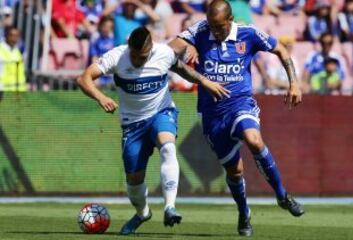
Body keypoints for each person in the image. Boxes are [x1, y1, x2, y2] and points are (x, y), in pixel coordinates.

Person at [169, 0, 304, 236]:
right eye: (211, 25)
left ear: (230, 20)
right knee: (235, 172)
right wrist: (185, 50)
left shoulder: (248, 33)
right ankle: (244, 212)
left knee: (254, 140)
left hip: (240, 103)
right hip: (212, 115)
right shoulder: (200, 31)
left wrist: (294, 83)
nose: (214, 31)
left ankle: (282, 196)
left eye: (219, 26)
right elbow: (168, 53)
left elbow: (280, 50)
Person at [77, 27, 229, 235]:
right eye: (134, 55)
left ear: (150, 48)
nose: (138, 60)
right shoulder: (116, 56)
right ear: (128, 47)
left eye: (143, 56)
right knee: (134, 180)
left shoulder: (163, 53)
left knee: (167, 147)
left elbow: (183, 70)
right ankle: (143, 213)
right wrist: (101, 97)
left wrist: (204, 81)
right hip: (132, 124)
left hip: (161, 112)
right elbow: (83, 78)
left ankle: (170, 206)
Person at [0, 26, 26, 92]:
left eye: (16, 36)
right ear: (6, 35)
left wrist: (22, 91)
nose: (14, 38)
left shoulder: (17, 53)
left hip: (15, 93)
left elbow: (21, 75)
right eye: (11, 35)